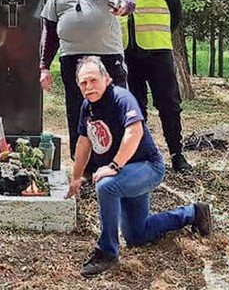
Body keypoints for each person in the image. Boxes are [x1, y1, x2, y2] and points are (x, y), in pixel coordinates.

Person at [66, 56, 212, 277]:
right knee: (137, 234)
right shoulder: (87, 107)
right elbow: (84, 142)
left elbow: (135, 132)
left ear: (106, 79)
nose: (88, 86)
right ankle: (194, 213)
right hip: (126, 173)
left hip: (146, 167)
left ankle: (107, 253)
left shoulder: (122, 98)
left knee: (106, 186)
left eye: (93, 80)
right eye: (83, 83)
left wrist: (114, 166)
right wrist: (76, 178)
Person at [39, 0, 136, 174]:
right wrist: (43, 66)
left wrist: (124, 5)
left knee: (114, 108)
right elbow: (49, 30)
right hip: (72, 58)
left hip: (106, 58)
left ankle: (117, 164)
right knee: (78, 112)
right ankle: (83, 167)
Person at [114, 0, 192, 172]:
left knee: (168, 104)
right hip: (127, 54)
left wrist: (160, 35)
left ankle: (177, 155)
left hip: (158, 53)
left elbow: (175, 12)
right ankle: (141, 153)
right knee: (134, 106)